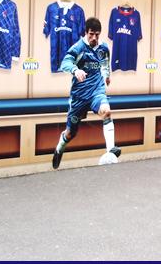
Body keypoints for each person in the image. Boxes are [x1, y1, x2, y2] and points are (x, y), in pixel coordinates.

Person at [52, 17, 121, 169]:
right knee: (71, 133)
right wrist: (76, 70)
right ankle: (59, 148)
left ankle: (110, 150)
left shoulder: (103, 48)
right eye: (91, 34)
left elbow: (104, 63)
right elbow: (65, 63)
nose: (94, 38)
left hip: (97, 91)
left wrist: (107, 75)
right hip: (79, 96)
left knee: (106, 112)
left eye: (97, 34)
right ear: (86, 33)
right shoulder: (79, 47)